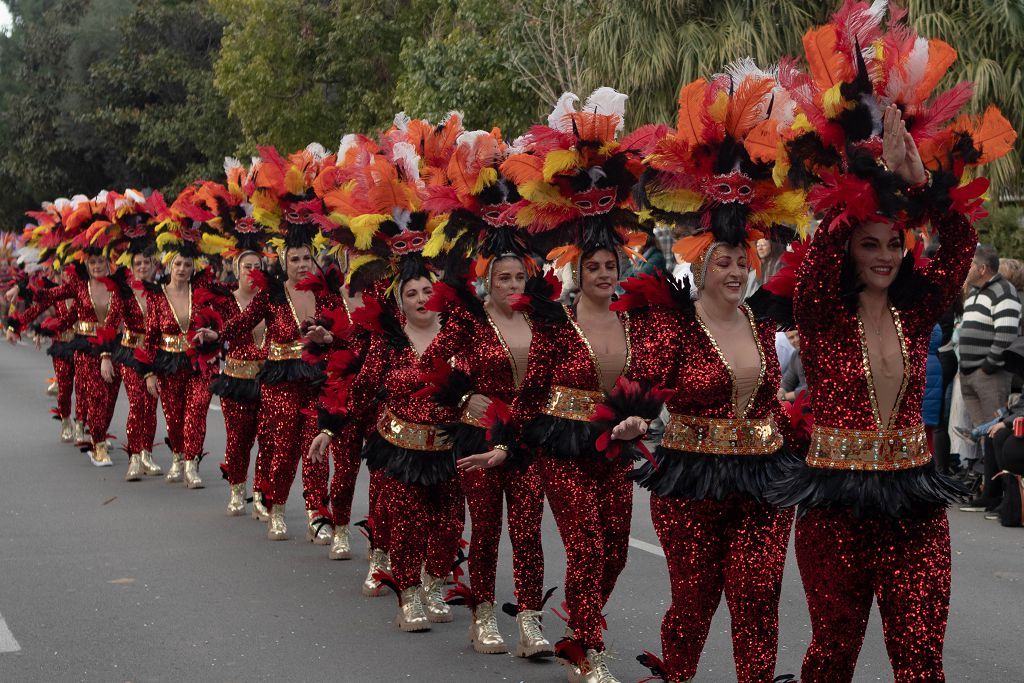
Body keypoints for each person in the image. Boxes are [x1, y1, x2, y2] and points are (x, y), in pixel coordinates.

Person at [771, 5, 1016, 679]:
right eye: (868, 244)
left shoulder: (916, 313)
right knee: (833, 652)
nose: (883, 255)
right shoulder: (820, 313)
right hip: (834, 507)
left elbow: (961, 240)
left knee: (919, 652)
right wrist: (864, 167)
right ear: (849, 249)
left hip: (911, 498)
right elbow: (821, 251)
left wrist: (921, 190)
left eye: (892, 244)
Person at [611, 66, 807, 683]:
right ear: (701, 265)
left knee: (757, 598)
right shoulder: (673, 320)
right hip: (692, 479)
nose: (731, 269)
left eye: (739, 259)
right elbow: (640, 387)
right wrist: (636, 417)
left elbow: (773, 399)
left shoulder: (761, 320)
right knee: (695, 601)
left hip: (763, 478)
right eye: (719, 260)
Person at [473, 87, 657, 682]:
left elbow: (651, 389)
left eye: (611, 267)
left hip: (616, 448)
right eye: (594, 268)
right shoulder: (557, 325)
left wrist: (643, 420)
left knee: (617, 550)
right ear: (577, 274)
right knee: (587, 547)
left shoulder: (637, 323)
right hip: (562, 449)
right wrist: (507, 441)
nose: (604, 275)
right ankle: (589, 648)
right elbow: (528, 397)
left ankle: (583, 615)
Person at [412, 129, 553, 657]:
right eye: (504, 279)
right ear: (488, 282)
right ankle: (483, 614)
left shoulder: (543, 322)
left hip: (527, 440)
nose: (514, 286)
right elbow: (429, 367)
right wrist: (458, 398)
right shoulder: (468, 322)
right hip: (478, 439)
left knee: (530, 532)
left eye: (521, 277)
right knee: (488, 531)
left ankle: (532, 622)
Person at [957, 244, 1021, 444]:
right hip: (968, 373)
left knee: (995, 432)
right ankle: (984, 473)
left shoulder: (1003, 290)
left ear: (982, 268)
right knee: (982, 434)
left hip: (989, 375)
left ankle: (996, 475)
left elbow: (1006, 336)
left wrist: (987, 367)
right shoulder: (974, 293)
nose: (963, 268)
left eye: (968, 265)